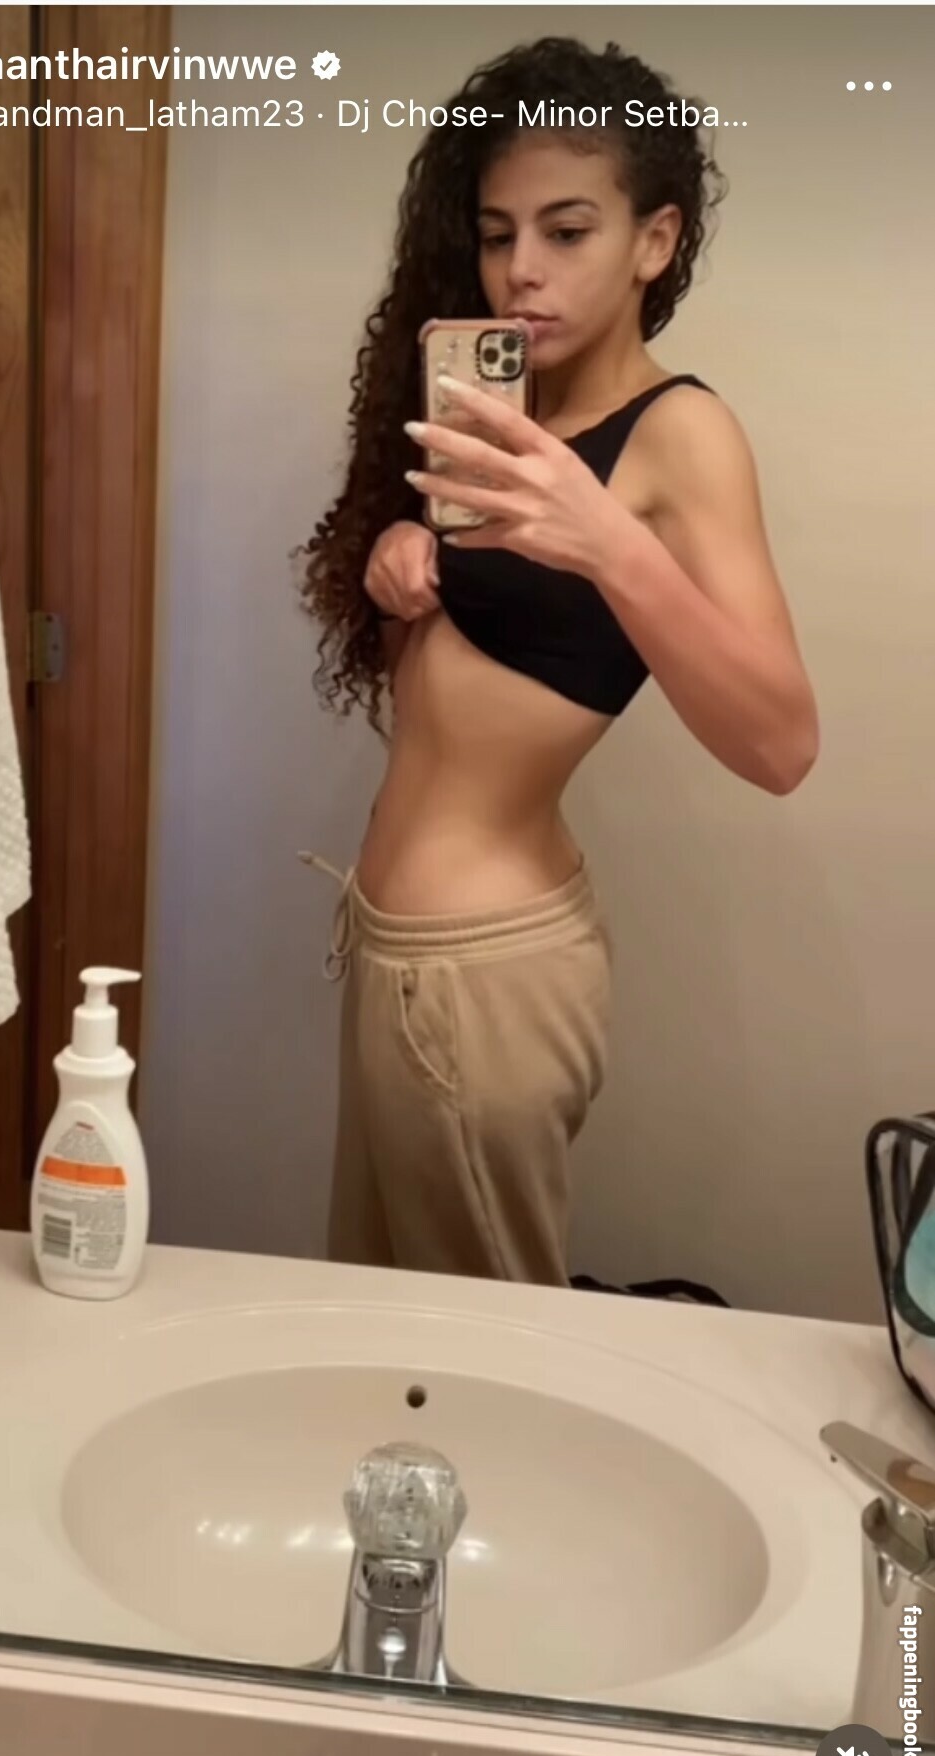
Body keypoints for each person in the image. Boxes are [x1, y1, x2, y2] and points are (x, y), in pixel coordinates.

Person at [295, 37, 819, 1287]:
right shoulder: (506, 413)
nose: (519, 269)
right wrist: (403, 566)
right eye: (496, 234)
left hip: (486, 974)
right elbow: (467, 684)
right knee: (376, 1318)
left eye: (566, 230)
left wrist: (606, 543)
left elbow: (780, 744)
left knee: (484, 1354)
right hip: (396, 954)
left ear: (653, 241)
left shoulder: (678, 432)